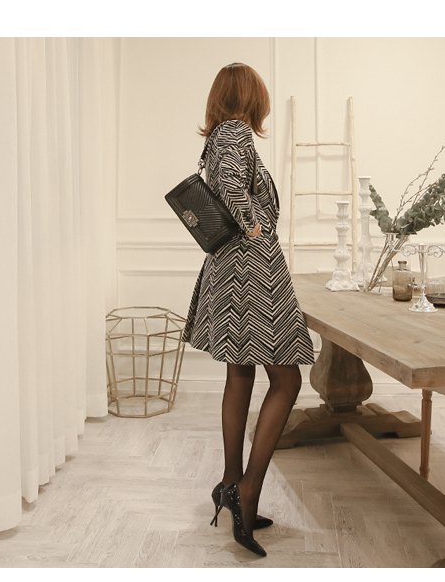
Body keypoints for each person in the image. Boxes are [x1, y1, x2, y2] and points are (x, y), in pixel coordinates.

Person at [180, 63, 315, 557]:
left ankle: (230, 482)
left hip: (229, 268)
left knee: (240, 375)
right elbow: (236, 192)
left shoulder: (216, 137)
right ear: (249, 97)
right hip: (252, 272)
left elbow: (224, 187)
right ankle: (248, 489)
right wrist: (255, 227)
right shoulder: (236, 133)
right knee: (287, 379)